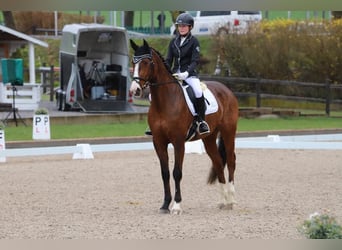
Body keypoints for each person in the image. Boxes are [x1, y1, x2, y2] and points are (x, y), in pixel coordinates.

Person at [166, 12, 210, 135]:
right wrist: (166, 73)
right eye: (180, 26)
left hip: (189, 74)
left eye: (184, 26)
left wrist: (186, 73)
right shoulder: (173, 42)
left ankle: (201, 121)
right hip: (174, 74)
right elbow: (168, 60)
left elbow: (195, 60)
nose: (182, 28)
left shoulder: (194, 41)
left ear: (190, 27)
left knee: (197, 91)